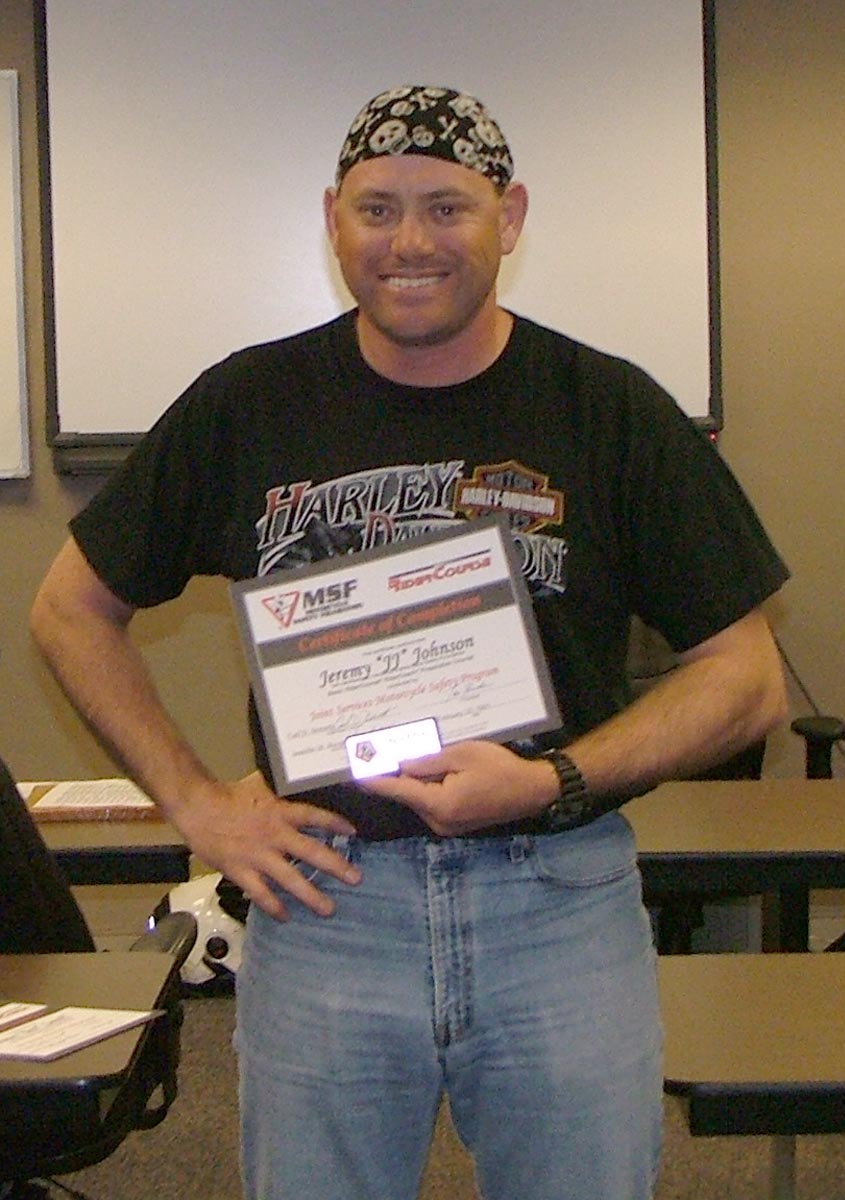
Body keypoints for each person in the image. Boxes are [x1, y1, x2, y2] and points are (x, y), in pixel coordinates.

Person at [31, 84, 789, 1200]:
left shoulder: (610, 408)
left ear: (509, 217)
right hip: (329, 906)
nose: (410, 242)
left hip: (556, 902)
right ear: (332, 220)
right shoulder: (249, 402)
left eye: (447, 207)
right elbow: (69, 609)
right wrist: (197, 805)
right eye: (377, 209)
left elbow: (747, 678)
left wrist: (550, 781)